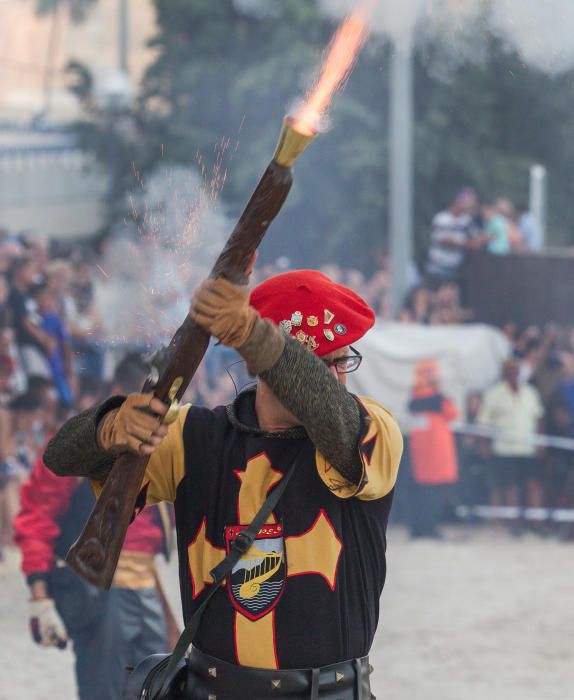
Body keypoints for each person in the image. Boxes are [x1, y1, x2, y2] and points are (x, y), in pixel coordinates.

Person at [44, 269, 403, 700]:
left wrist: (255, 336)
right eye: (324, 363)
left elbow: (329, 409)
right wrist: (107, 429)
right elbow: (60, 457)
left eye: (342, 361)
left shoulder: (370, 430)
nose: (338, 377)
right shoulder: (190, 435)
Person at [14, 353, 174, 700]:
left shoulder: (165, 440)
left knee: (156, 691)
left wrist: (166, 613)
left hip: (145, 591)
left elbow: (142, 545)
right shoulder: (82, 443)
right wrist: (39, 597)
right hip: (100, 591)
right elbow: (37, 517)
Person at [477, 358, 545, 532]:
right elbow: (483, 422)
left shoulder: (530, 392)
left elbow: (538, 418)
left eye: (516, 370)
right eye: (510, 370)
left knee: (533, 484)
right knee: (510, 486)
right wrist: (484, 445)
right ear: (504, 372)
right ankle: (514, 524)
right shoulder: (494, 394)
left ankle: (536, 522)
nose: (513, 373)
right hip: (504, 449)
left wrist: (540, 442)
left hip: (528, 447)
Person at [407, 360, 459, 538]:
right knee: (435, 495)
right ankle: (430, 528)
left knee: (421, 494)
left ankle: (418, 528)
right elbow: (453, 413)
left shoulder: (414, 400)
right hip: (437, 456)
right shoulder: (439, 400)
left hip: (420, 458)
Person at [424, 188, 485, 290]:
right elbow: (444, 240)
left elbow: (477, 238)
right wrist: (466, 244)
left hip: (455, 271)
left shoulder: (467, 220)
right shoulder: (441, 218)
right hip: (437, 269)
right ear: (459, 201)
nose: (470, 206)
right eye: (468, 203)